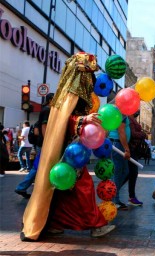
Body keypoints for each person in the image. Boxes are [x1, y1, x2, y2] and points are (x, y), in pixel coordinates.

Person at [21, 52, 115, 241]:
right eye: (87, 74)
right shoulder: (69, 95)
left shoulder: (69, 94)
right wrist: (83, 119)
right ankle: (95, 225)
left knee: (64, 189)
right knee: (83, 186)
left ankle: (55, 223)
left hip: (73, 149)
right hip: (69, 152)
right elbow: (64, 120)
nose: (90, 79)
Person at [15, 93, 54, 198]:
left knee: (39, 166)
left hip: (42, 143)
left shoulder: (46, 110)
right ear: (51, 100)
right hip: (44, 143)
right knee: (37, 167)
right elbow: (44, 126)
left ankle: (24, 188)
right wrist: (48, 141)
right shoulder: (47, 110)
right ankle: (22, 187)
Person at [109, 114, 131, 210]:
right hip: (118, 145)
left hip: (117, 144)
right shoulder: (122, 113)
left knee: (124, 172)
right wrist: (126, 149)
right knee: (117, 173)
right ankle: (114, 200)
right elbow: (121, 131)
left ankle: (114, 196)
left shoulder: (120, 112)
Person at [127, 112, 147, 206]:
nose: (138, 110)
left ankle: (130, 196)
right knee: (131, 173)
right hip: (131, 149)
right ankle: (130, 196)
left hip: (133, 149)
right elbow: (133, 134)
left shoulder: (132, 119)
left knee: (130, 174)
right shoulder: (129, 119)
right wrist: (143, 134)